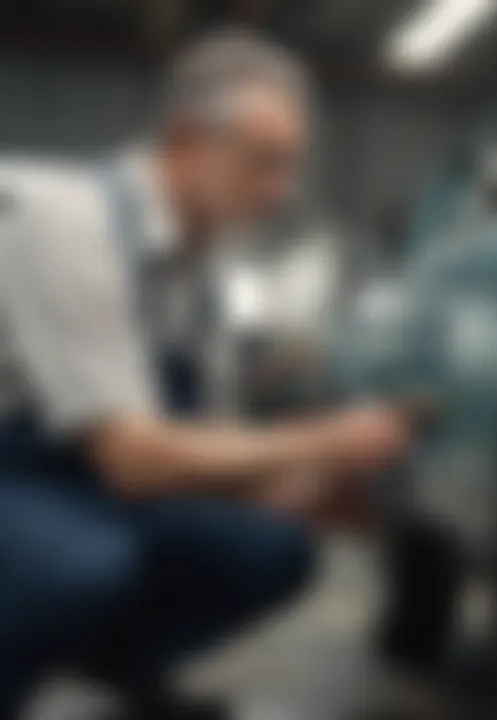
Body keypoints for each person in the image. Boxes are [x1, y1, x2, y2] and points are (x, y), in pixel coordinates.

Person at [0, 29, 412, 719]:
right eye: (264, 164)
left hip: (96, 484)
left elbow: (213, 456)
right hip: (23, 473)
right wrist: (319, 439)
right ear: (190, 144)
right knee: (85, 565)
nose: (281, 193)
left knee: (276, 550)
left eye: (290, 168)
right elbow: (135, 460)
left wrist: (330, 497)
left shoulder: (205, 281)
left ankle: (126, 664)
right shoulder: (66, 222)